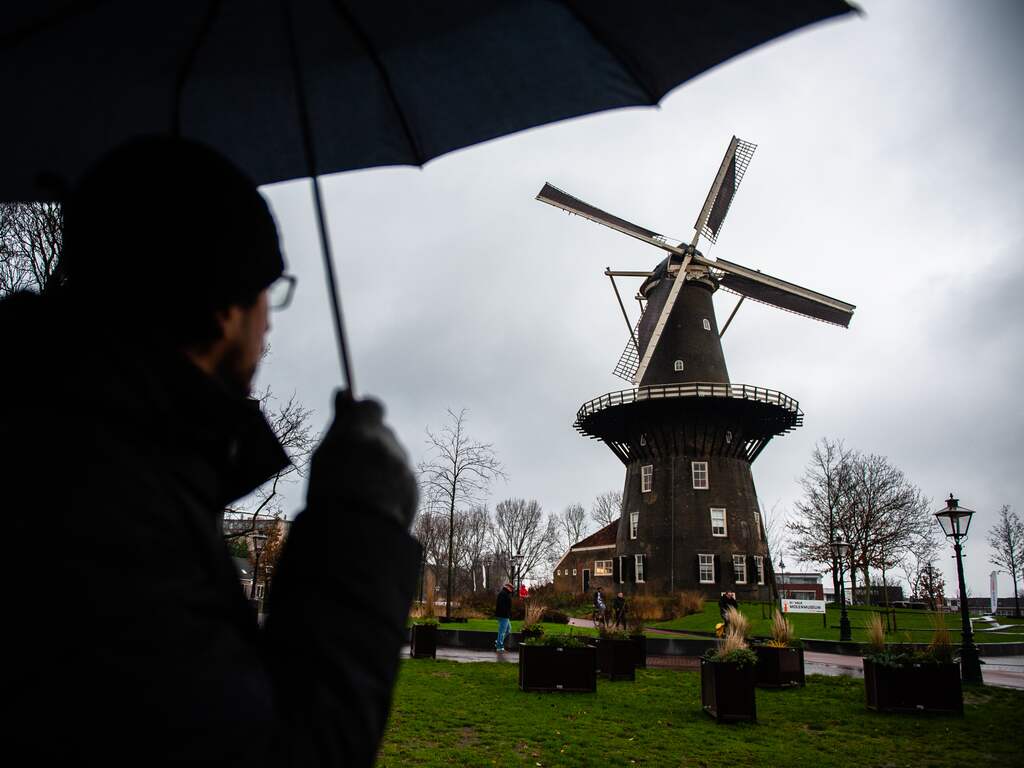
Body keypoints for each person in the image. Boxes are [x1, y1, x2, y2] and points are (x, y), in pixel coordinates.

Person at [4, 137, 421, 766]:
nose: (270, 323)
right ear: (226, 307)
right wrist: (359, 524)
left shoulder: (53, 436)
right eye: (268, 295)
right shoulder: (105, 511)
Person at [495, 581, 514, 651]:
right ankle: (499, 647)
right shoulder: (503, 594)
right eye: (511, 588)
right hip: (503, 615)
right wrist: (506, 613)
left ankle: (498, 641)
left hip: (505, 615)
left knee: (508, 630)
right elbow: (501, 605)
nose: (512, 590)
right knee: (502, 631)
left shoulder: (505, 593)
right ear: (507, 587)